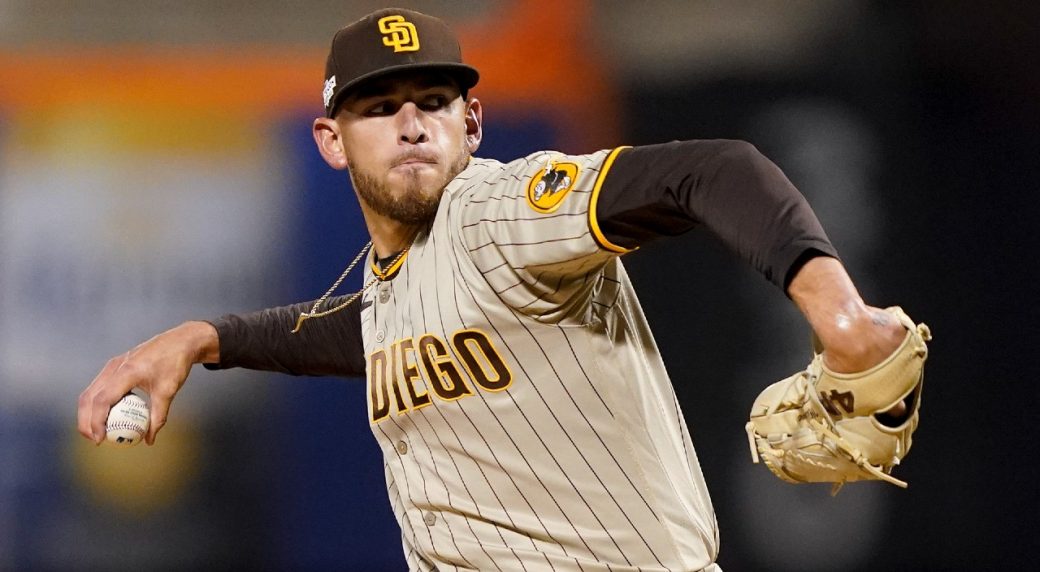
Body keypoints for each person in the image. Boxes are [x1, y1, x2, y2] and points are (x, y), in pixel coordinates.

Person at [78, 8, 912, 571]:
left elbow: (713, 170)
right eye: (380, 106)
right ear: (332, 141)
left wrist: (835, 310)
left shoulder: (498, 210)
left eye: (433, 100)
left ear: (471, 124)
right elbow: (361, 331)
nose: (411, 122)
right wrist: (203, 339)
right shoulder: (395, 278)